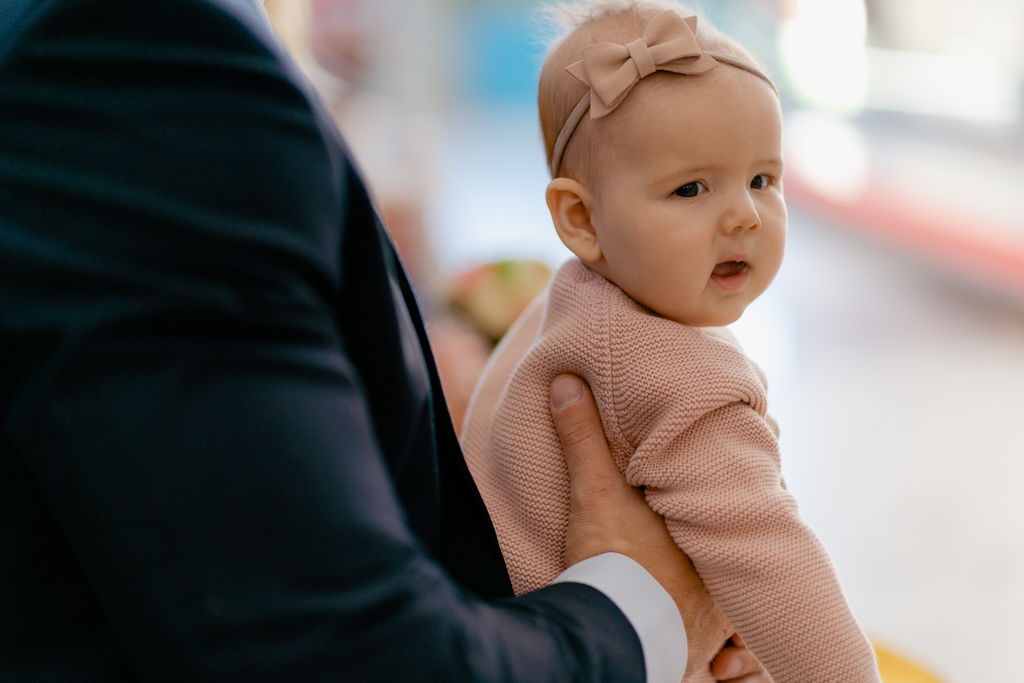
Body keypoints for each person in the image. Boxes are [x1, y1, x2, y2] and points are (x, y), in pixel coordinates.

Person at [0, 0, 769, 680]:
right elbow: (330, 647)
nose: (744, 215)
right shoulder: (140, 41)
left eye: (765, 180)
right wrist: (642, 608)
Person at [461, 3, 881, 681]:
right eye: (690, 187)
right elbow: (772, 560)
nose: (744, 213)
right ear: (580, 218)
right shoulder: (678, 368)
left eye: (762, 179)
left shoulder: (563, 307)